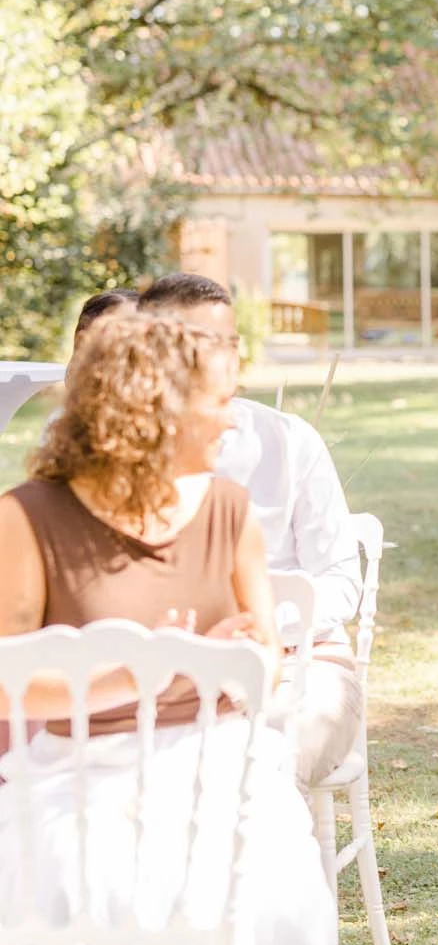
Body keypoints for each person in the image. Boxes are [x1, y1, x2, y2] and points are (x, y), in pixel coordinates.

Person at [0, 312, 337, 945]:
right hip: (69, 763)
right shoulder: (27, 516)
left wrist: (239, 654)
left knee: (264, 904)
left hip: (213, 758)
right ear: (149, 407)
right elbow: (5, 672)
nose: (235, 423)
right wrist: (137, 675)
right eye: (219, 403)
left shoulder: (230, 507)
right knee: (57, 883)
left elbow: (263, 646)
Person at [138, 274, 364, 792]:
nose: (223, 358)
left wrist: (256, 633)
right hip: (159, 672)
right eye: (200, 342)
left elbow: (338, 580)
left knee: (265, 755)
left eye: (231, 342)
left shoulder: (289, 441)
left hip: (301, 666)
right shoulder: (114, 457)